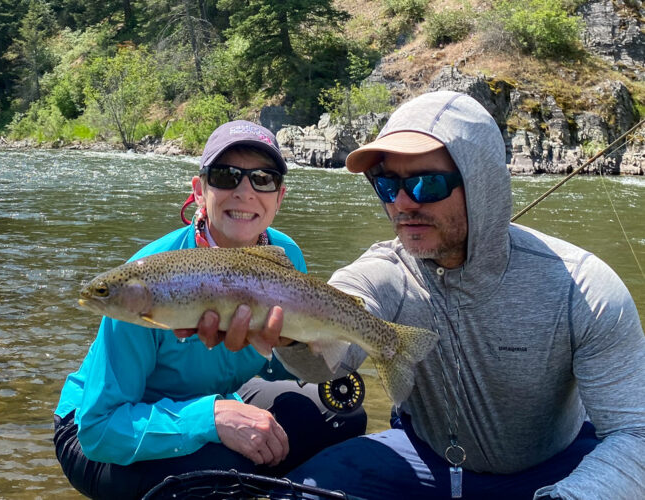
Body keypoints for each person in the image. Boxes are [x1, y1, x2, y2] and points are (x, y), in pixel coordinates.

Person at [198, 92, 645, 499]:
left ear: (482, 184)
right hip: (420, 460)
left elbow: (635, 434)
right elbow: (327, 360)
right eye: (387, 185)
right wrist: (292, 335)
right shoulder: (384, 272)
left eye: (427, 184)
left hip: (555, 472)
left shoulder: (583, 289)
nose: (403, 204)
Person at [53, 120, 366, 500]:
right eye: (226, 176)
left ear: (279, 197)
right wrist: (212, 419)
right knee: (222, 472)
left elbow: (280, 367)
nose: (245, 192)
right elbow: (99, 430)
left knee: (339, 416)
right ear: (200, 191)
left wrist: (294, 346)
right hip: (98, 433)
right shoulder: (148, 280)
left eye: (262, 179)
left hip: (218, 396)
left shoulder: (285, 258)